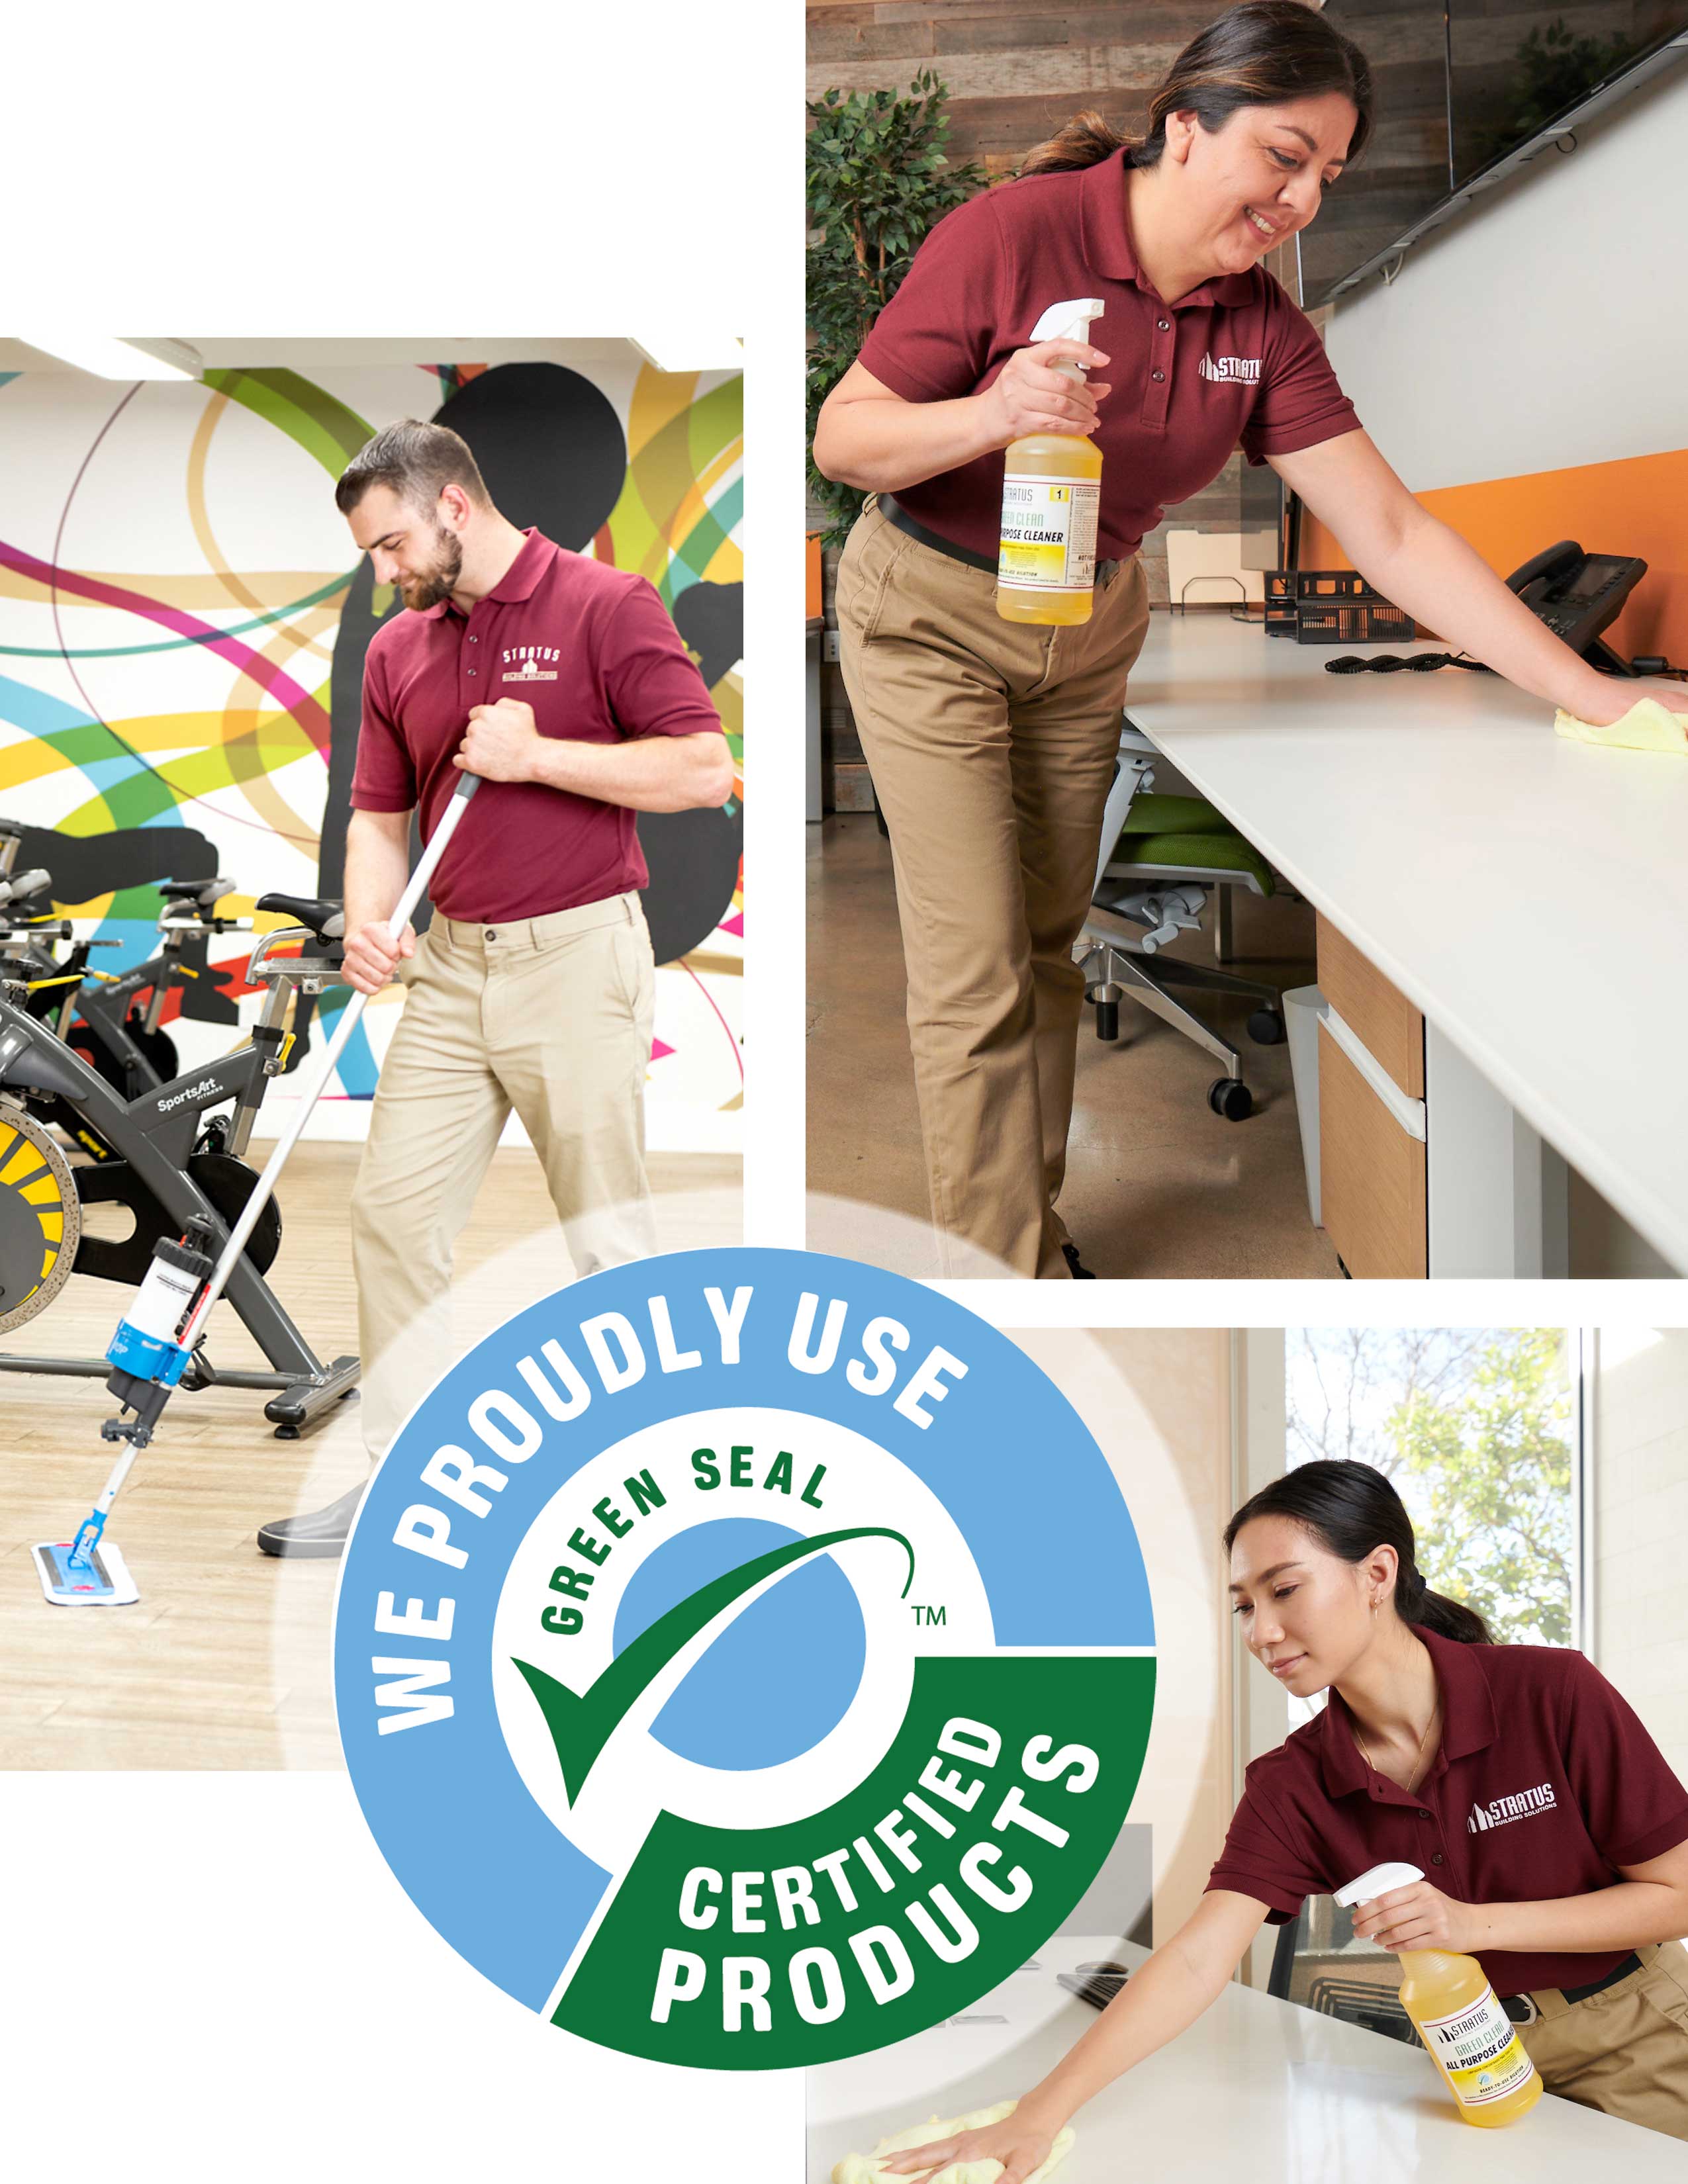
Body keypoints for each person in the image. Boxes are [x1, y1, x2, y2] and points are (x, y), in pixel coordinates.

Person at [812, 1, 1688, 1280]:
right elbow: (846, 439)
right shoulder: (1012, 236)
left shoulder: (1261, 327)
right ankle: (1001, 1284)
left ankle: (1025, 1219)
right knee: (976, 969)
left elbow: (1388, 529)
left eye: (1325, 176)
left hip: (1090, 616)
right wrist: (995, 410)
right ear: (1185, 125)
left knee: (1049, 945)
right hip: (931, 611)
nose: (1303, 202)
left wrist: (1595, 696)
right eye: (1284, 157)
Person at [884, 1460, 1688, 2176]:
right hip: (1460, 2061)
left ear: (1377, 1574)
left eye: (1285, 1589)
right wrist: (1038, 2114)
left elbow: (1676, 1893)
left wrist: (1472, 1926)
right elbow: (1200, 1958)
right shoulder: (1291, 1783)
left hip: (1635, 2029)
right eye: (1243, 1606)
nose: (1262, 1632)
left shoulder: (1552, 1694)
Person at [258, 420, 731, 1557]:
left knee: (606, 1241)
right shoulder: (399, 651)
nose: (382, 572)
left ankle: (670, 1507)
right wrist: (375, 922)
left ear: (454, 510)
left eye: (388, 545)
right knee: (391, 1217)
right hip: (453, 972)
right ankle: (404, 1489)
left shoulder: (604, 605)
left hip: (579, 961)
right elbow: (378, 819)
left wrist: (541, 757)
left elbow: (703, 769)